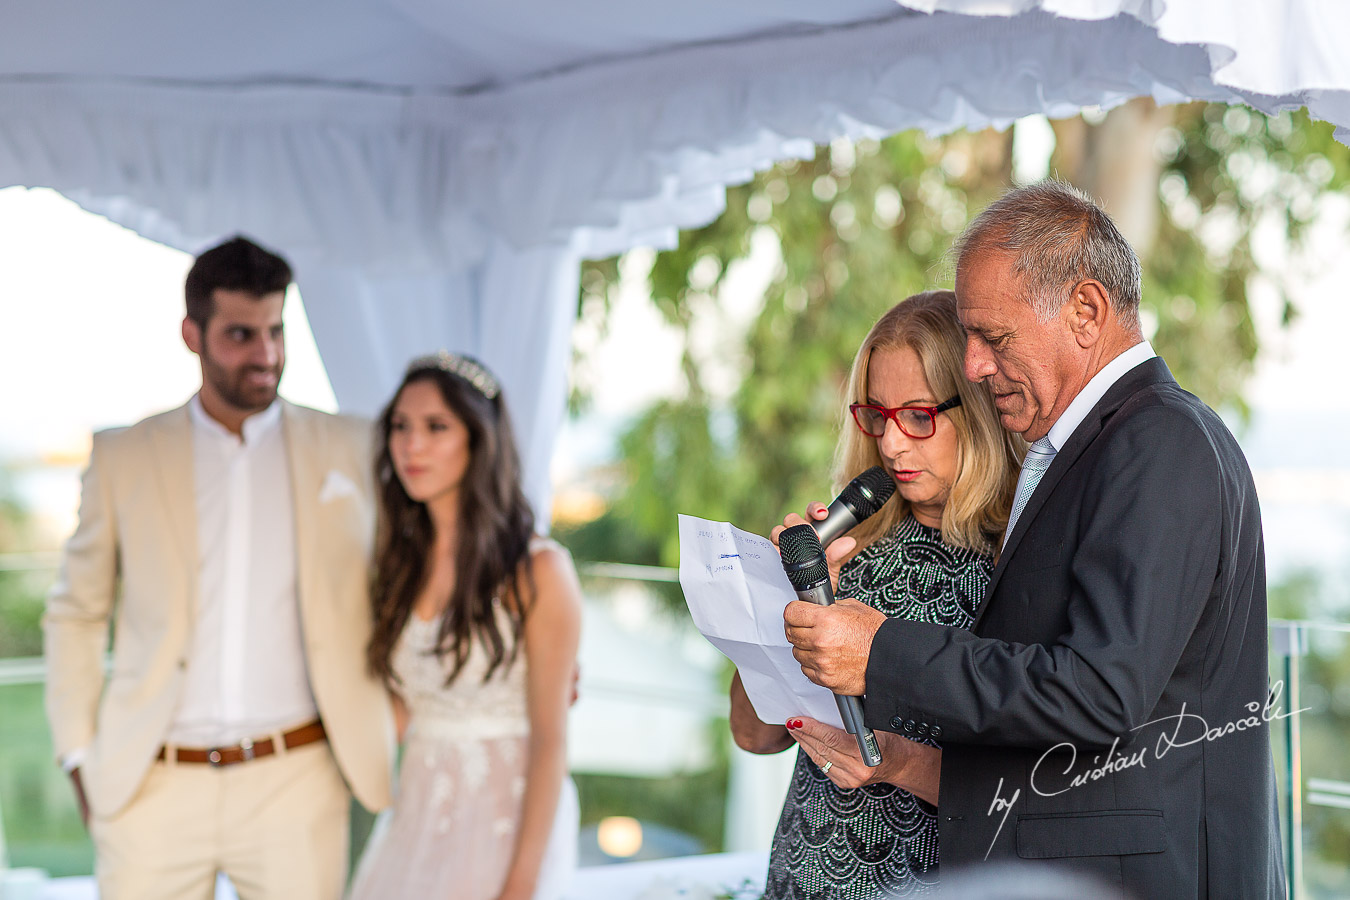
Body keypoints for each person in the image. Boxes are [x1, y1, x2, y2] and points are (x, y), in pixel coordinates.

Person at [785, 181, 1286, 897]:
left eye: (993, 336)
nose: (976, 365)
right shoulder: (1095, 445)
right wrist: (900, 760)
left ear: (1087, 310)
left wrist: (883, 650)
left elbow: (1099, 693)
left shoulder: (1159, 441)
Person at [43, 236, 395, 900]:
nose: (265, 355)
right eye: (241, 335)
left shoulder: (353, 446)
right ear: (192, 334)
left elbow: (411, 581)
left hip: (296, 779)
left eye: (275, 332)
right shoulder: (125, 456)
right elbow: (76, 612)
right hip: (153, 782)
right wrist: (79, 756)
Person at [729, 291, 1023, 897]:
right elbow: (755, 736)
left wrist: (897, 762)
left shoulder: (1020, 562)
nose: (891, 444)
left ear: (978, 408)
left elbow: (1039, 788)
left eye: (918, 415)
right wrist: (784, 603)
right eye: (876, 415)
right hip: (800, 876)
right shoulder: (855, 540)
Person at [348, 352, 582, 900]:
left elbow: (551, 743)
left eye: (436, 427)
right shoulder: (398, 565)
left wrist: (520, 885)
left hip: (504, 822)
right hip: (416, 815)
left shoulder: (539, 570)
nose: (411, 446)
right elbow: (398, 712)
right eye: (401, 427)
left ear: (479, 440)